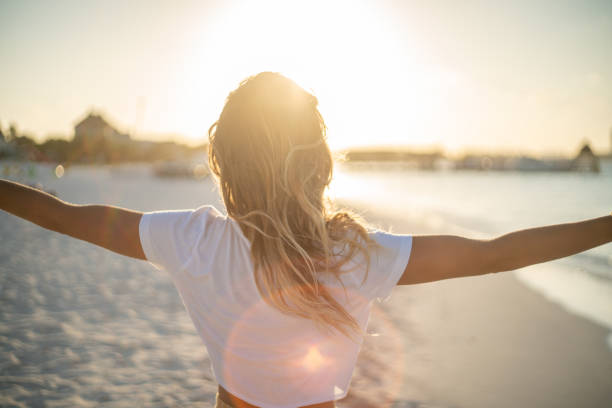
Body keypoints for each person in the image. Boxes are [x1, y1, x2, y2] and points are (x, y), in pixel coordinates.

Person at [0, 72, 610, 408]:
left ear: (226, 166)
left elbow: (59, 213)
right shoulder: (357, 256)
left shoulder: (190, 238)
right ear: (317, 162)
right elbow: (498, 253)